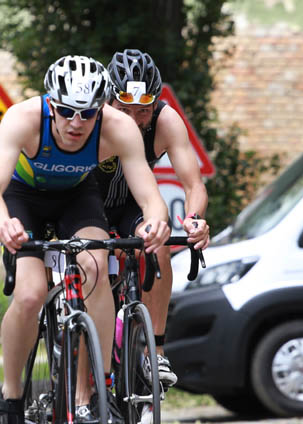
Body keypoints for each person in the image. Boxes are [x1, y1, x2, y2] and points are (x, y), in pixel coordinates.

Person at [0, 55, 171, 424]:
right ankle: (12, 401)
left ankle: (96, 392)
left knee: (97, 266)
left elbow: (149, 195)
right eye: (65, 111)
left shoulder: (117, 127)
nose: (76, 122)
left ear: (101, 107)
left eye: (86, 112)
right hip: (23, 199)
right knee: (29, 294)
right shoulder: (23, 119)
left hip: (76, 198)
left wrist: (155, 223)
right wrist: (4, 226)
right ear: (50, 104)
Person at [92, 48, 212, 386]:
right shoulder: (93, 119)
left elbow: (193, 184)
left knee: (158, 244)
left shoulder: (165, 120)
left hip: (133, 203)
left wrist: (193, 219)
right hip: (90, 204)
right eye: (124, 109)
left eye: (143, 110)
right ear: (109, 101)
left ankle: (155, 354)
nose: (133, 119)